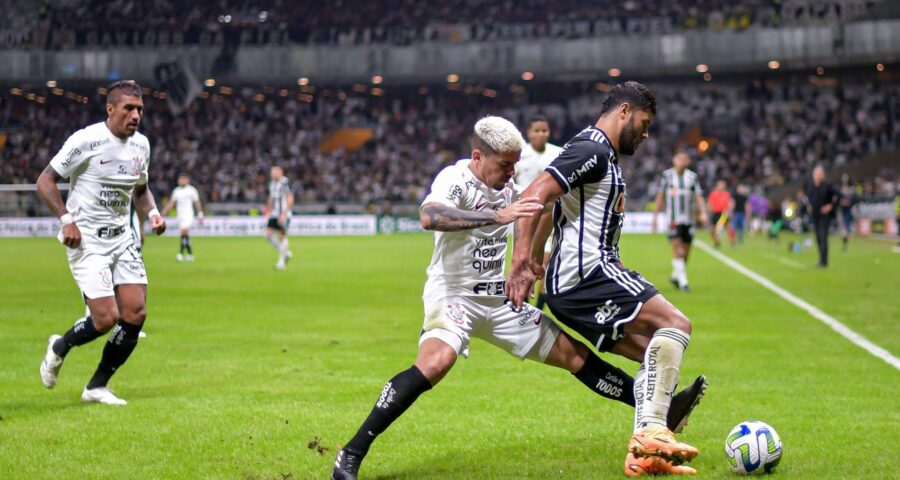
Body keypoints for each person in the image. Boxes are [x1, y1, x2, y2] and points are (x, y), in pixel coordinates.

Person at [332, 116, 706, 480]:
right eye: (505, 165)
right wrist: (497, 216)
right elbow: (431, 216)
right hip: (453, 294)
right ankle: (350, 453)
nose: (512, 173)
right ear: (478, 158)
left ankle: (663, 411)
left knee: (574, 356)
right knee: (436, 362)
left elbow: (542, 207)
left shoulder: (511, 188)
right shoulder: (455, 178)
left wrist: (528, 258)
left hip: (499, 299)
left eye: (515, 165)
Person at [507, 81, 703, 476]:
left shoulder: (603, 155)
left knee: (655, 353)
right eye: (644, 123)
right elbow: (536, 194)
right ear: (624, 111)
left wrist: (539, 257)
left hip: (574, 283)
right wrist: (522, 259)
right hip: (588, 275)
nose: (646, 134)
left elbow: (550, 210)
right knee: (676, 325)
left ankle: (645, 453)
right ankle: (653, 431)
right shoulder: (592, 148)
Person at [36, 80, 165, 405]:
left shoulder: (142, 146)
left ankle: (96, 386)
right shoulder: (87, 140)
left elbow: (140, 190)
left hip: (122, 239)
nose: (135, 115)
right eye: (129, 109)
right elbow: (45, 180)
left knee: (135, 313)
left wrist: (153, 215)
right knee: (105, 319)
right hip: (87, 242)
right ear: (111, 109)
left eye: (139, 110)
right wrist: (67, 219)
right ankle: (59, 346)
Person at [514, 115, 563, 310]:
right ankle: (523, 304)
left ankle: (539, 307)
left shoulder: (558, 153)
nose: (541, 134)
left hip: (550, 215)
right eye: (537, 131)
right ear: (528, 133)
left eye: (545, 131)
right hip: (525, 218)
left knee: (545, 261)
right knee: (523, 260)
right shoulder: (519, 155)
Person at [652, 152, 708, 292]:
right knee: (678, 249)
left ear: (688, 161)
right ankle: (684, 283)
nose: (681, 161)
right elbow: (660, 196)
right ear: (674, 160)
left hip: (688, 219)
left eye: (684, 159)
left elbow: (698, 196)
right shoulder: (667, 176)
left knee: (686, 252)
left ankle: (675, 276)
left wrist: (703, 212)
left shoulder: (692, 177)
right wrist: (655, 217)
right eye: (679, 159)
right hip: (673, 219)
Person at [161, 174, 204, 261]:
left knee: (183, 232)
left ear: (187, 180)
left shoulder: (192, 190)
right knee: (185, 234)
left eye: (184, 179)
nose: (182, 181)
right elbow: (171, 203)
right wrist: (163, 213)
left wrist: (200, 214)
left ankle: (180, 253)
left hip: (188, 214)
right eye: (181, 179)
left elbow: (197, 202)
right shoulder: (176, 191)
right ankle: (190, 254)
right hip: (180, 214)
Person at [805, 165, 839, 268]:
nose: (818, 176)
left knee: (823, 237)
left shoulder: (828, 185)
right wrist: (809, 206)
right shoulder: (811, 185)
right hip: (815, 215)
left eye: (820, 174)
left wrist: (831, 206)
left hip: (824, 216)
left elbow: (837, 195)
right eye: (816, 174)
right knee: (818, 238)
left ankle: (824, 262)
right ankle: (821, 260)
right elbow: (809, 198)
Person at [265, 166, 294, 270]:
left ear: (281, 172)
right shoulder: (272, 184)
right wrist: (268, 210)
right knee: (268, 235)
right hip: (274, 213)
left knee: (282, 236)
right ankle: (285, 253)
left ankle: (281, 263)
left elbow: (290, 197)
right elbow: (270, 198)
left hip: (283, 214)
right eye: (272, 172)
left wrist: (284, 213)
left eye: (275, 172)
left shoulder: (285, 182)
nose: (273, 174)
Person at [706, 180, 732, 247]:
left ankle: (732, 241)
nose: (722, 186)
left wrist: (729, 211)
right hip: (715, 213)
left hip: (724, 213)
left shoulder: (726, 194)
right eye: (720, 185)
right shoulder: (713, 194)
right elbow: (709, 203)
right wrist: (709, 211)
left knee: (728, 226)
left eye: (723, 185)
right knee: (713, 229)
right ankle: (717, 242)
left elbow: (729, 203)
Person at [837, 174, 856, 251]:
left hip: (848, 211)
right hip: (842, 210)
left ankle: (846, 242)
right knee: (843, 227)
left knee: (847, 226)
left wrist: (848, 202)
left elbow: (852, 200)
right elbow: (838, 200)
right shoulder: (840, 190)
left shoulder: (850, 190)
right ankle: (844, 242)